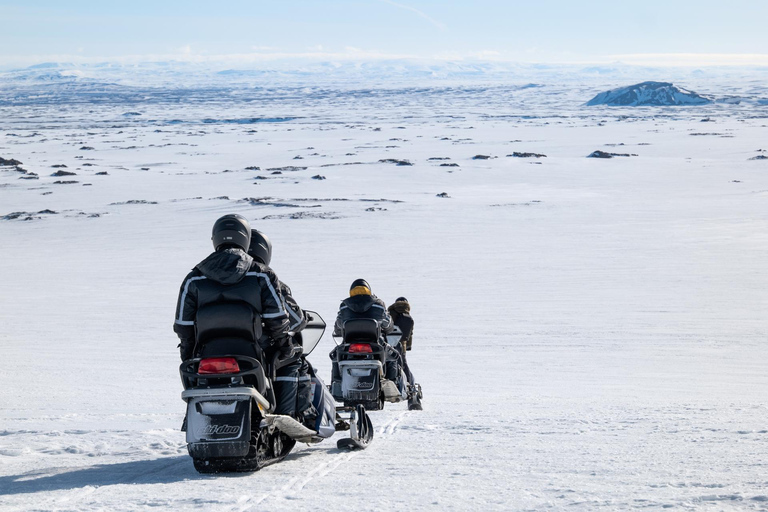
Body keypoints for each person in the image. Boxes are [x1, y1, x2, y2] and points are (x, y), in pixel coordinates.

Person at [173, 214, 295, 415]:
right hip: (252, 353)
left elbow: (183, 325)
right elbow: (277, 318)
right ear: (246, 239)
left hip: (206, 355)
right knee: (288, 362)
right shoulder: (262, 274)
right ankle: (281, 415)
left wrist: (187, 353)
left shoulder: (193, 278)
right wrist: (284, 345)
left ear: (215, 239)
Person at [247, 229, 316, 428]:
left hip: (215, 348)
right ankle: (295, 415)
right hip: (261, 349)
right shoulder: (268, 278)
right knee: (296, 359)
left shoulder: (210, 279)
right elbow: (293, 319)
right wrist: (302, 318)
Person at [330, 279, 397, 396]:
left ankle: (336, 382)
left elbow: (338, 326)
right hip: (374, 344)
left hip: (349, 345)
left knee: (335, 356)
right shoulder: (378, 304)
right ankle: (392, 382)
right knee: (394, 355)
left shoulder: (344, 306)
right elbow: (387, 324)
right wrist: (388, 327)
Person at [387, 297, 415, 387]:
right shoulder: (408, 317)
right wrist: (407, 347)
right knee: (403, 364)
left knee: (389, 362)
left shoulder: (390, 313)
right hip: (402, 345)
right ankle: (410, 386)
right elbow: (409, 335)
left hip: (388, 344)